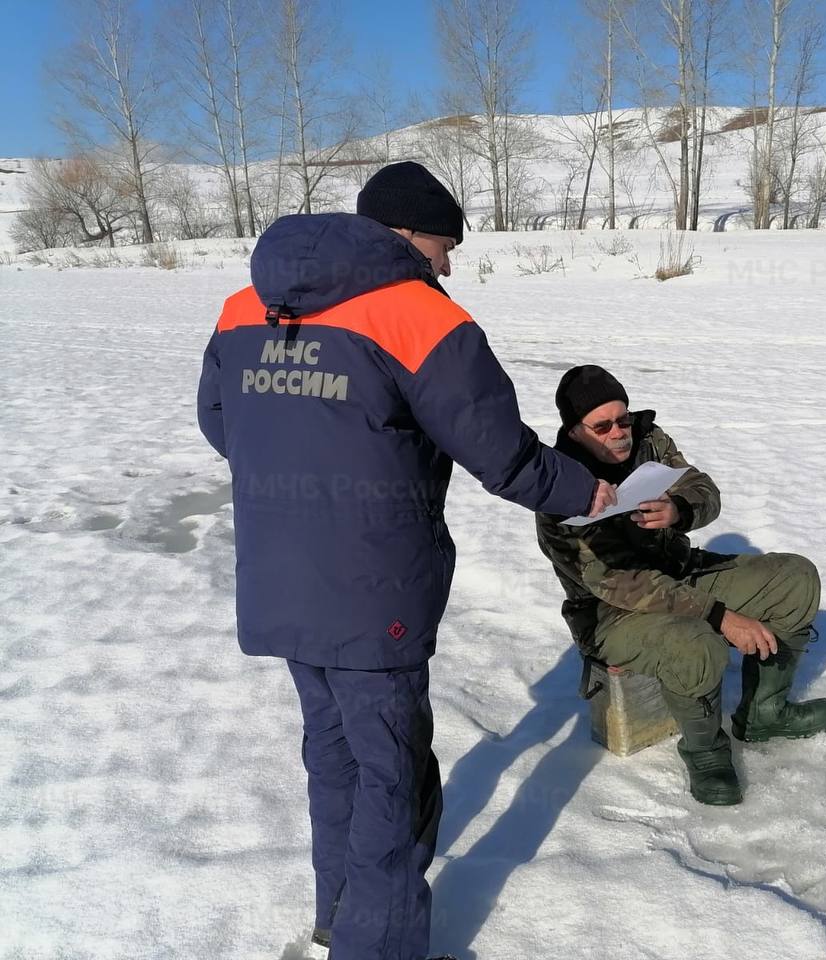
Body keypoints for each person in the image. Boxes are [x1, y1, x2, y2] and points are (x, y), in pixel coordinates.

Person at [196, 161, 616, 960]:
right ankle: (376, 947)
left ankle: (338, 916)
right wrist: (588, 490)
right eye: (443, 244)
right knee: (390, 771)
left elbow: (222, 422)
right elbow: (503, 456)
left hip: (279, 575)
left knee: (333, 752)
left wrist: (303, 477)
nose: (449, 264)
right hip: (374, 584)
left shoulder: (243, 304)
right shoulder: (418, 315)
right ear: (404, 234)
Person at [535, 365, 826, 806]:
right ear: (574, 430)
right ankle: (706, 752)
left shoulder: (648, 440)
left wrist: (679, 509)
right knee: (695, 641)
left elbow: (702, 487)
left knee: (795, 579)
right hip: (611, 612)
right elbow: (620, 583)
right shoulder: (557, 488)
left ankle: (763, 714)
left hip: (680, 571)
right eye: (602, 426)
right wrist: (720, 616)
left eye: (623, 418)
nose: (619, 432)